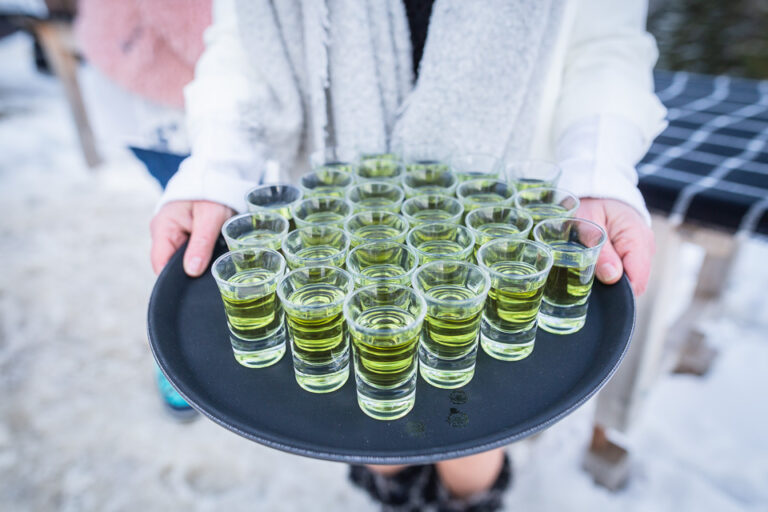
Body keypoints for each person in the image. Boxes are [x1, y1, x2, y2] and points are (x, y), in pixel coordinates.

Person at [149, 0, 665, 509]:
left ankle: (472, 501)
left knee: (476, 418)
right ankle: (393, 495)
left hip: (502, 194)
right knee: (374, 423)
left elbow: (606, 45)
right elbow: (245, 39)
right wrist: (217, 162)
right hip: (333, 202)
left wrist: (599, 168)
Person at [76, 0, 212, 420]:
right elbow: (207, 33)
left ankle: (190, 347)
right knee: (191, 227)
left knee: (202, 224)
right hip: (159, 93)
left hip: (166, 82)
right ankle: (177, 357)